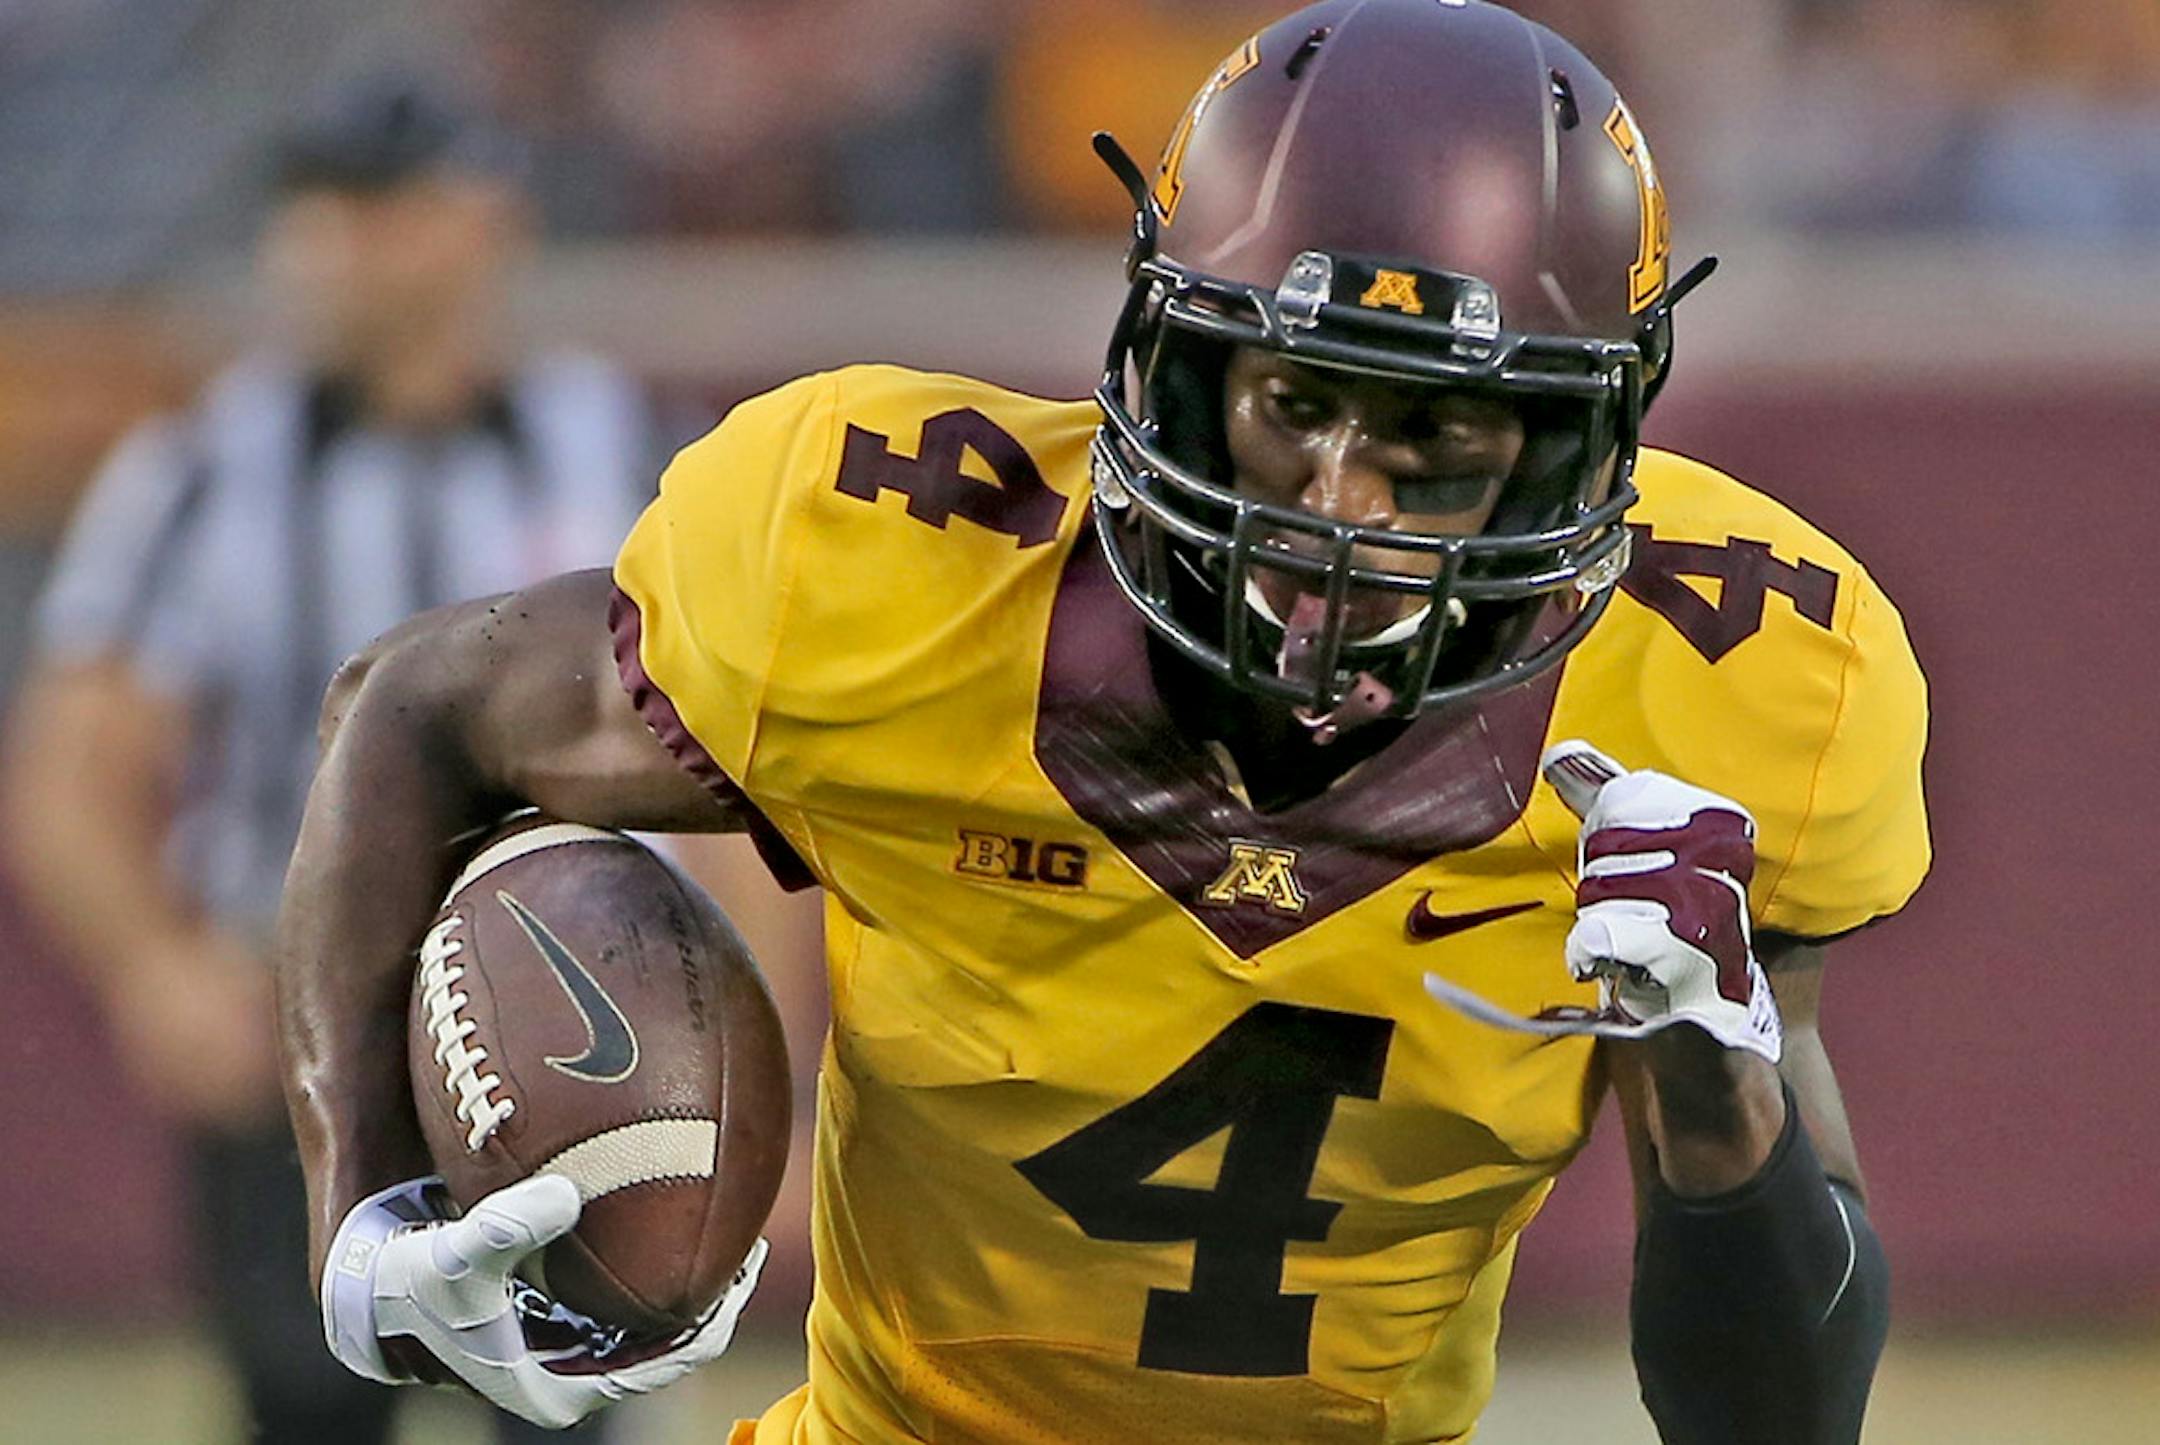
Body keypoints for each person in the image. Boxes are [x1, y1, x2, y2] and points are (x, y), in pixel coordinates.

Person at [279, 3, 1928, 1441]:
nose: (1337, 506)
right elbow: (416, 701)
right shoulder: (894, 565)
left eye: (1437, 435)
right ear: (1179, 360)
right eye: (1292, 402)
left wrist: (1719, 1086)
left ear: (1579, 446)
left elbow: (1774, 1415)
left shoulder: (1742, 689)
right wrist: (359, 1202)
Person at [4, 73, 651, 1443]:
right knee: (305, 1409)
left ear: (487, 221)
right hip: (303, 1024)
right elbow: (73, 767)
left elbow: (715, 757)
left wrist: (743, 1015)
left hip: (565, 1033)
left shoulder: (614, 443)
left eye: (388, 206)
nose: (350, 244)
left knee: (567, 1414)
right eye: (328, 211)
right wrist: (156, 965)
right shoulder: (203, 466)